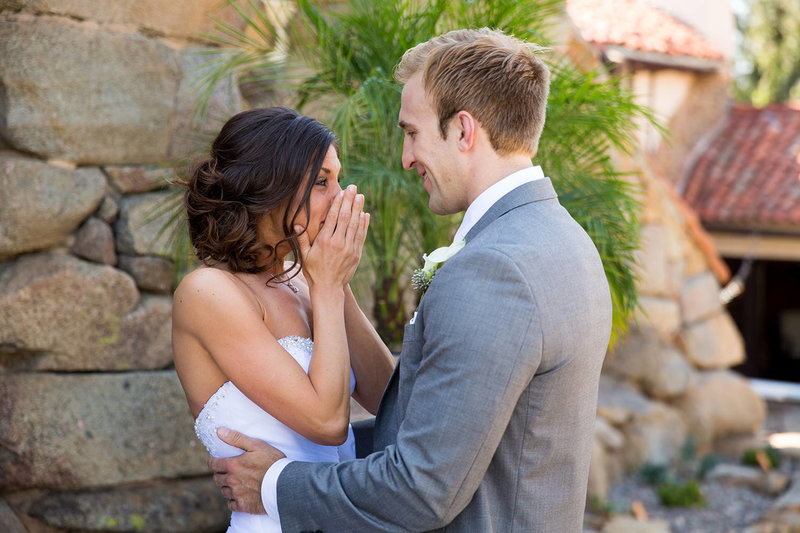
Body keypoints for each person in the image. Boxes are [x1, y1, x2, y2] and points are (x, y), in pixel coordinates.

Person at [209, 28, 613, 531]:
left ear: (464, 131)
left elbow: (423, 488)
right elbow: (444, 429)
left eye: (413, 132)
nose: (405, 157)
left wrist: (275, 482)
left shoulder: (495, 270)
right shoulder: (565, 240)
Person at [172, 106, 396, 533]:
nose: (341, 196)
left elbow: (391, 400)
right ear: (270, 187)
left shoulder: (309, 285)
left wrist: (335, 282)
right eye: (320, 182)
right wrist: (327, 287)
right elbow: (327, 424)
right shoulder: (208, 292)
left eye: (338, 178)